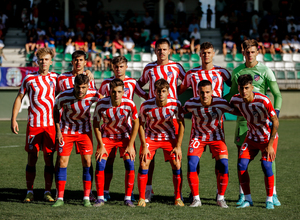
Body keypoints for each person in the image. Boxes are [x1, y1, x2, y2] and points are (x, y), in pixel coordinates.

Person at [224, 39, 282, 207]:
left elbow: (277, 95)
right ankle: (243, 195)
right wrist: (218, 104)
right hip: (244, 122)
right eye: (247, 52)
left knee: (269, 160)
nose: (249, 55)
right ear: (243, 52)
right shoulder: (237, 72)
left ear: (258, 52)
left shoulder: (265, 70)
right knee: (241, 161)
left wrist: (274, 115)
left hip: (264, 122)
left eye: (252, 52)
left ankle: (274, 194)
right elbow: (232, 97)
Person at [178, 42, 231, 201]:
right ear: (199, 54)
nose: (206, 55)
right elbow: (179, 91)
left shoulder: (222, 72)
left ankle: (219, 192)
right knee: (194, 161)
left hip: (217, 126)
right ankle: (194, 193)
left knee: (220, 162)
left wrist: (225, 101)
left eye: (209, 52)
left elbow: (235, 88)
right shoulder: (192, 73)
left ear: (213, 53)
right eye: (203, 53)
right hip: (198, 125)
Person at [137, 39, 186, 202]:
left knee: (176, 158)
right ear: (155, 51)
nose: (161, 52)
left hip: (170, 117)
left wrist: (175, 95)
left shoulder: (177, 67)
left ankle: (177, 195)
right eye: (159, 49)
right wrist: (147, 97)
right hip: (153, 114)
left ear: (169, 51)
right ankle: (148, 191)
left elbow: (187, 83)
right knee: (148, 159)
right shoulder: (149, 68)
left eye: (164, 49)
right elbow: (139, 84)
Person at [98, 56, 148, 201]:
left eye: (121, 66)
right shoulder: (106, 83)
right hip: (108, 130)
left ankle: (129, 193)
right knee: (109, 162)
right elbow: (100, 98)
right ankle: (105, 191)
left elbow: (144, 95)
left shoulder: (132, 82)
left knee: (129, 161)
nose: (118, 69)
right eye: (116, 66)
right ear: (112, 67)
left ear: (126, 67)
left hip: (126, 130)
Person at [11, 48, 57, 203]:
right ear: (37, 61)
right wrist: (14, 119)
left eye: (46, 59)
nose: (44, 62)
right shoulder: (29, 78)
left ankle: (47, 191)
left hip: (50, 125)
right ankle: (29, 191)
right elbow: (19, 97)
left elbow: (74, 85)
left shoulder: (56, 78)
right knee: (32, 158)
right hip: (34, 124)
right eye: (41, 59)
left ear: (51, 61)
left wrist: (88, 75)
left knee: (49, 159)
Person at [184, 80, 239, 208]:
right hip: (198, 137)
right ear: (197, 92)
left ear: (212, 92)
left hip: (217, 137)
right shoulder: (191, 103)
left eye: (207, 92)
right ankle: (196, 199)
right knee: (192, 164)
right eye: (202, 92)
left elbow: (237, 112)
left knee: (224, 165)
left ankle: (221, 198)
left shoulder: (220, 103)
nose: (204, 95)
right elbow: (180, 112)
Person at [230, 74, 279, 209]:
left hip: (267, 138)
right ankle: (247, 199)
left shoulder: (263, 100)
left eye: (246, 88)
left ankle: (270, 199)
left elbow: (275, 121)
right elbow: (231, 108)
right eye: (241, 88)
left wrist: (270, 145)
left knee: (266, 165)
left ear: (252, 87)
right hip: (251, 137)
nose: (244, 91)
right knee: (241, 165)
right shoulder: (236, 99)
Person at [52, 74, 100, 207]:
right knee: (62, 161)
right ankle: (60, 198)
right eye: (78, 87)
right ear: (74, 85)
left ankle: (86, 197)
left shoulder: (94, 94)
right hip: (66, 131)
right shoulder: (63, 96)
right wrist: (58, 130)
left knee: (87, 161)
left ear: (88, 87)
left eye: (83, 87)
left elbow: (104, 103)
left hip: (84, 132)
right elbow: (56, 111)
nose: (80, 90)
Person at [93, 78, 139, 207]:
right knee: (100, 164)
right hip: (107, 136)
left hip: (124, 136)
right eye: (114, 92)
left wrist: (131, 145)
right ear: (109, 91)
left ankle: (128, 198)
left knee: (130, 164)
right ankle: (101, 197)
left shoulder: (130, 104)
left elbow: (136, 123)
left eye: (119, 91)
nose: (116, 95)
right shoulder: (101, 104)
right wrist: (101, 145)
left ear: (124, 91)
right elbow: (96, 124)